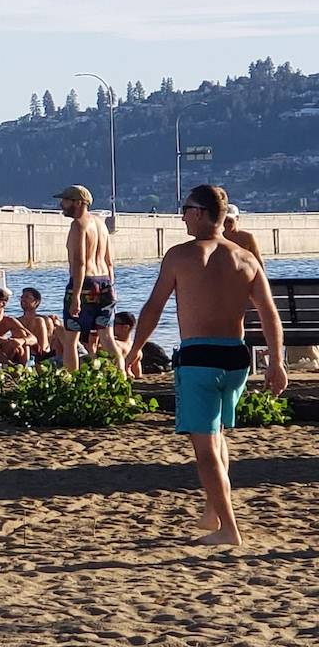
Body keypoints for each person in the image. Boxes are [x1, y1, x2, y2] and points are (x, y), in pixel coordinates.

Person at [127, 184, 287, 546]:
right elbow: (269, 315)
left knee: (204, 450)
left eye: (185, 209)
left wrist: (135, 348)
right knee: (217, 436)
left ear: (200, 213)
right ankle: (214, 510)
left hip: (199, 357)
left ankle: (228, 529)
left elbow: (153, 307)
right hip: (235, 357)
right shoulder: (245, 258)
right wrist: (276, 362)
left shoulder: (181, 255)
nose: (182, 215)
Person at [55, 185, 122, 370]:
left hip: (85, 284)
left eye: (65, 201)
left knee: (70, 340)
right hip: (105, 282)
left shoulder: (78, 225)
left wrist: (76, 296)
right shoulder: (101, 224)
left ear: (78, 202)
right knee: (107, 338)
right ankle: (121, 377)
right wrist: (112, 287)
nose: (61, 204)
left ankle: (73, 383)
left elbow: (80, 263)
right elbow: (109, 262)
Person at [17, 287, 56, 362]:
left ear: (36, 302)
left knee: (39, 320)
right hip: (24, 352)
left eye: (27, 297)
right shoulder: (17, 321)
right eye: (22, 297)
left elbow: (50, 340)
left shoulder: (45, 320)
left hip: (42, 352)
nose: (23, 299)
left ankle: (41, 358)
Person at [112, 312, 142, 378]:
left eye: (114, 323)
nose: (110, 326)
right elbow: (138, 375)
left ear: (126, 327)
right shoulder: (136, 348)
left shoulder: (115, 345)